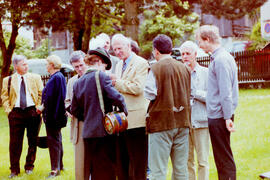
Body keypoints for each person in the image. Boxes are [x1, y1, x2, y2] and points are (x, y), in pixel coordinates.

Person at [71, 48, 128, 180]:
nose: (105, 69)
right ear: (100, 62)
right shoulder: (101, 76)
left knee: (95, 170)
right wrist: (123, 113)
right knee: (108, 169)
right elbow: (118, 98)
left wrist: (88, 117)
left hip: (88, 133)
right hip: (104, 132)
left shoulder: (78, 82)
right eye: (105, 66)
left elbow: (74, 109)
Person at [144, 34, 191, 180]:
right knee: (181, 169)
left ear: (156, 51)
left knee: (158, 171)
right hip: (183, 122)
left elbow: (150, 94)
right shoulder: (184, 68)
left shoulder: (155, 68)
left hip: (161, 123)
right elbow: (191, 93)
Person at [196, 25, 238, 180]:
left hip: (220, 116)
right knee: (221, 156)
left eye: (199, 41)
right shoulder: (221, 57)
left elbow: (225, 92)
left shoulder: (220, 60)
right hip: (219, 115)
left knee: (223, 157)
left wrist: (227, 117)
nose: (199, 45)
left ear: (207, 39)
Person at [110, 33, 149, 180]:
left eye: (120, 48)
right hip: (121, 120)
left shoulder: (141, 63)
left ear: (128, 46)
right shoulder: (119, 64)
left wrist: (116, 82)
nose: (118, 52)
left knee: (138, 162)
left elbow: (138, 88)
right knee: (123, 162)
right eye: (115, 49)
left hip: (137, 120)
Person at [1, 55, 43, 178]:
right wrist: (9, 111)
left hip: (32, 113)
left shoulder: (35, 77)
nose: (26, 66)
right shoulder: (7, 80)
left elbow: (41, 93)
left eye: (27, 63)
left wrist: (38, 108)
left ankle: (29, 166)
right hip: (16, 113)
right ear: (16, 66)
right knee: (14, 143)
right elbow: (4, 97)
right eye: (23, 64)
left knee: (32, 141)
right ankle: (14, 170)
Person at [180, 41, 209, 180]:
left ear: (195, 54)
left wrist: (195, 92)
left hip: (201, 122)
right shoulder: (179, 74)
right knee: (187, 161)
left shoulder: (206, 72)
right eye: (182, 54)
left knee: (202, 161)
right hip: (184, 124)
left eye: (188, 53)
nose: (185, 57)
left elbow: (212, 97)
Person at [40, 55, 67, 178]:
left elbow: (60, 98)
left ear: (52, 64)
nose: (46, 66)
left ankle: (54, 169)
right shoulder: (55, 77)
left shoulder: (58, 77)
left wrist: (56, 117)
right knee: (57, 141)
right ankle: (59, 166)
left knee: (54, 142)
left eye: (47, 64)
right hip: (51, 116)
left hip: (54, 117)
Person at [65, 50, 87, 180]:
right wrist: (68, 110)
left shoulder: (97, 76)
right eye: (76, 67)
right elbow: (67, 101)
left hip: (94, 123)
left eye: (81, 65)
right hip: (78, 125)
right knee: (80, 161)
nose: (79, 69)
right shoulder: (72, 82)